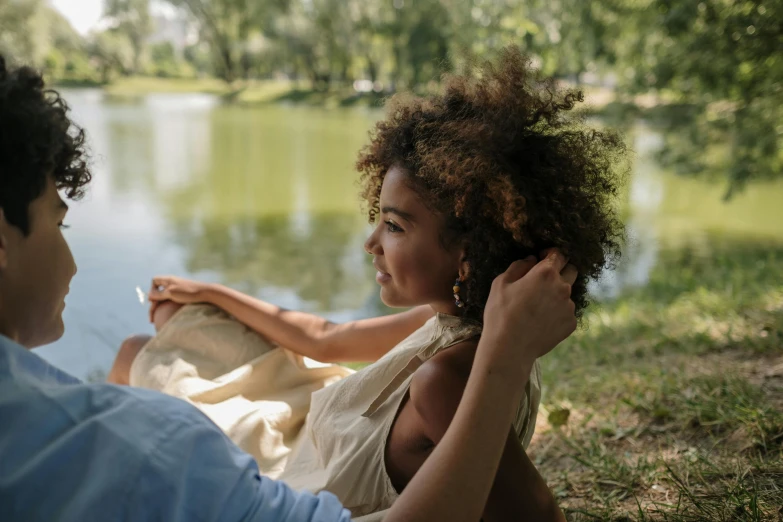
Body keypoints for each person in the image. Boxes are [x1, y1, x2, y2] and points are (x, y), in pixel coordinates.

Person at [0, 53, 578, 522]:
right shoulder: (447, 324)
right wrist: (213, 293)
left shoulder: (450, 375)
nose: (370, 243)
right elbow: (326, 338)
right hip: (319, 431)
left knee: (146, 354)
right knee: (164, 332)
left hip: (302, 475)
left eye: (395, 227)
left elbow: (537, 514)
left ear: (468, 254)